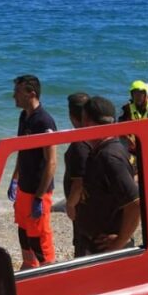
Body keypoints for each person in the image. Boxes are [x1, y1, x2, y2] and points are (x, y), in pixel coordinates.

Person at [77, 97, 141, 254]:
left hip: (106, 247)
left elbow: (134, 203)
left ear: (89, 123)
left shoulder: (109, 156)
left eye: (83, 119)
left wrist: (120, 242)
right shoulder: (105, 150)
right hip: (98, 243)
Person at [9, 75, 57, 269]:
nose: (14, 96)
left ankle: (48, 270)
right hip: (24, 187)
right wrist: (14, 179)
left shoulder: (44, 122)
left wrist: (39, 197)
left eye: (18, 92)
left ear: (32, 94)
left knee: (39, 237)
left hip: (38, 190)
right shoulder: (24, 116)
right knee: (22, 230)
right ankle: (29, 265)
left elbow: (51, 162)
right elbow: (22, 151)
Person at [63, 92, 92, 257]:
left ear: (71, 116)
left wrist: (70, 204)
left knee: (82, 245)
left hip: (83, 207)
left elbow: (79, 182)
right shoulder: (96, 136)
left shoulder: (79, 144)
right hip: (94, 204)